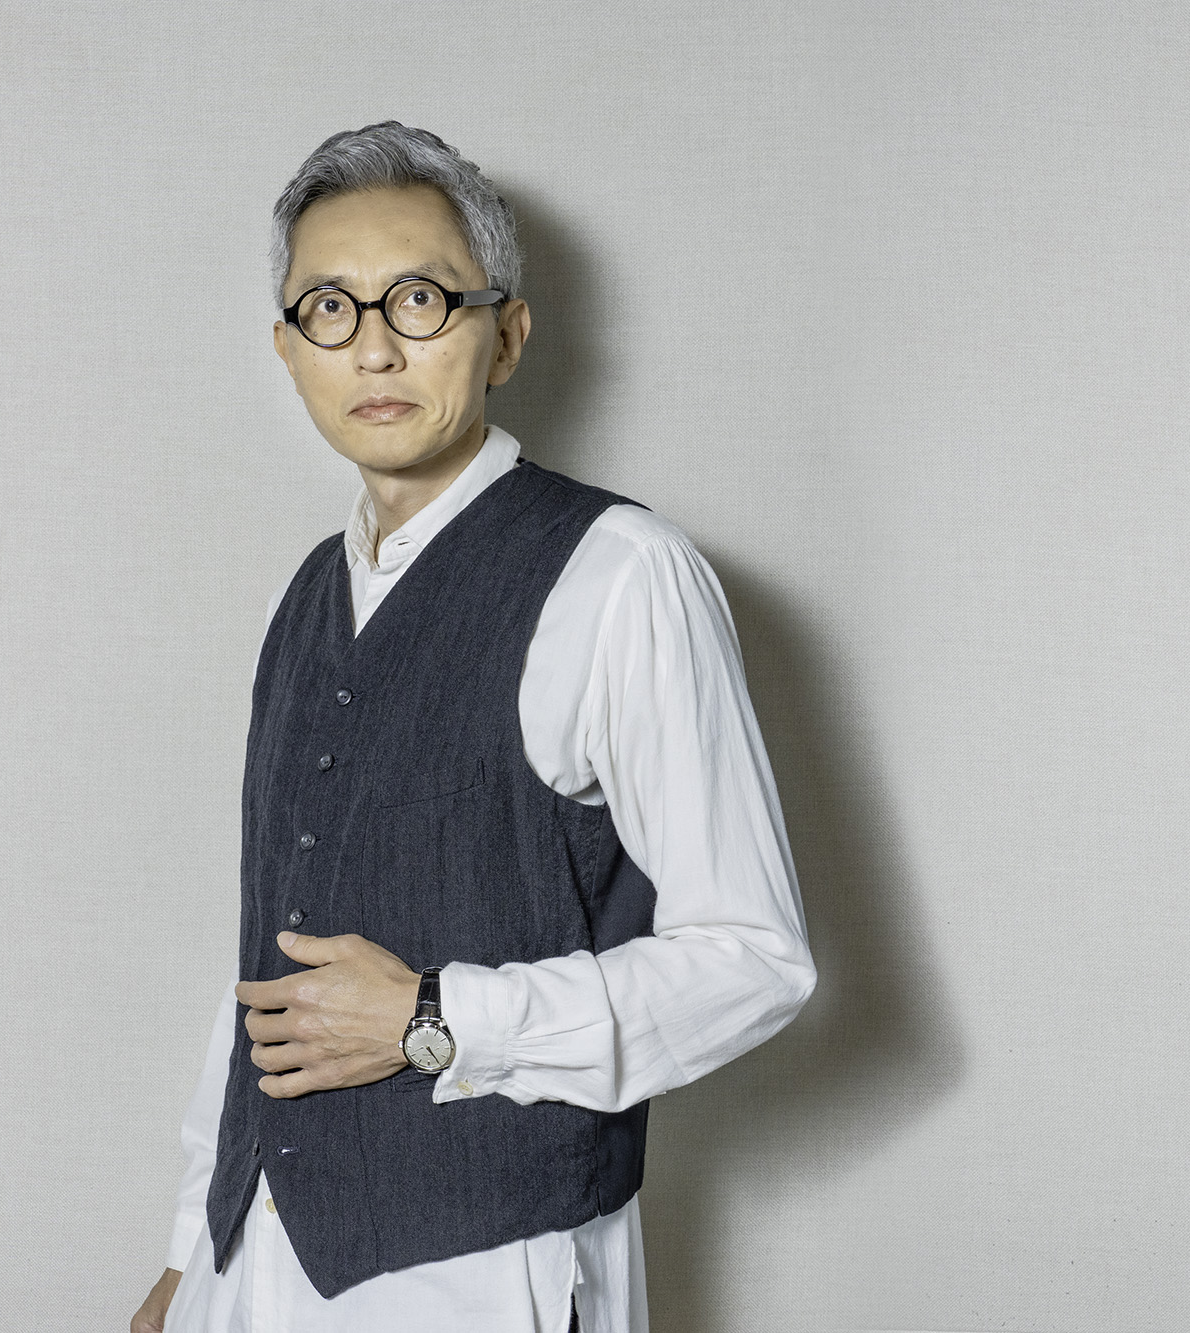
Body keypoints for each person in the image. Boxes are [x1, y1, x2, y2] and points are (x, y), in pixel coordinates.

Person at [131, 121, 816, 1333]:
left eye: (420, 298)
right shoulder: (306, 594)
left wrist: (435, 1020)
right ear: (287, 350)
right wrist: (194, 1251)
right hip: (257, 1268)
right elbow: (268, 961)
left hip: (488, 1272)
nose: (374, 345)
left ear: (504, 333)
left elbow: (752, 959)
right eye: (329, 308)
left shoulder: (622, 574)